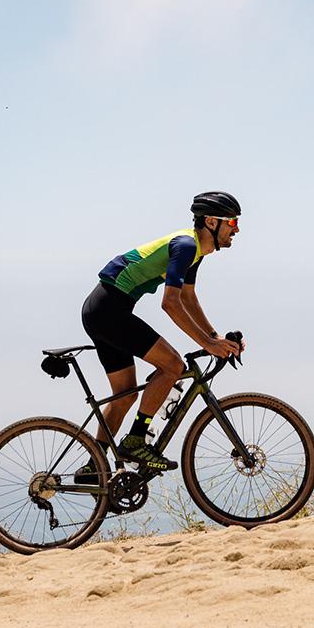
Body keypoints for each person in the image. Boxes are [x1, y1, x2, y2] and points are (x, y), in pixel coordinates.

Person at [77, 191, 244, 475]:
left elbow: (188, 298)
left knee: (124, 396)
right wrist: (207, 343)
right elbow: (170, 303)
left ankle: (93, 469)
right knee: (173, 366)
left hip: (102, 310)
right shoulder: (186, 246)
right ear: (211, 222)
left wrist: (214, 337)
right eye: (231, 223)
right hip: (108, 311)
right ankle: (135, 441)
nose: (236, 230)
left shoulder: (196, 251)